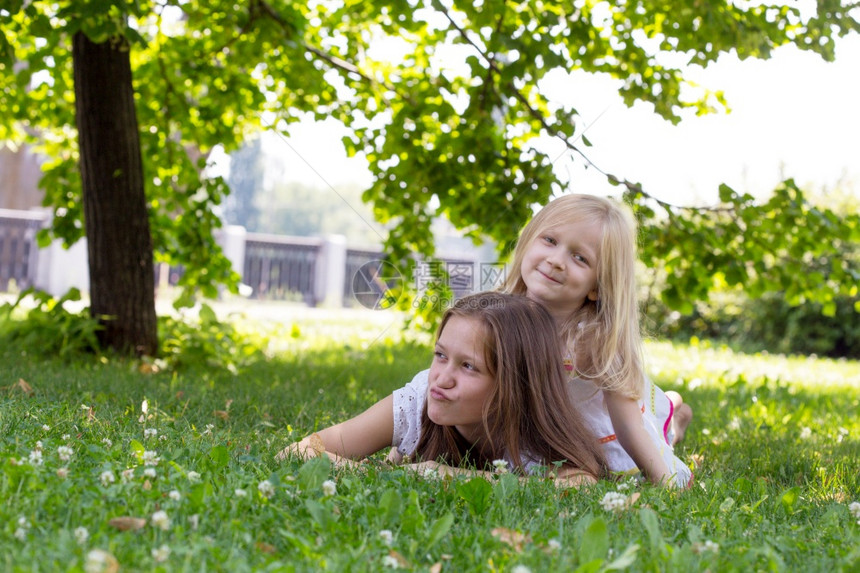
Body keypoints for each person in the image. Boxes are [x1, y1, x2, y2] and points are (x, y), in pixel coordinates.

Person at [278, 292, 607, 486]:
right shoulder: (419, 400)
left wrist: (444, 475)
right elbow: (301, 450)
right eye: (440, 355)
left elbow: (581, 488)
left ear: (515, 384)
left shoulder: (536, 437)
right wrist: (392, 476)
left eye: (468, 366)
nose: (442, 378)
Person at [501, 193, 693, 487]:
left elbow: (629, 425)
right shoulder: (496, 315)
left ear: (597, 287)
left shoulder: (592, 340)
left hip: (593, 431)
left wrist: (665, 483)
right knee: (657, 405)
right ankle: (670, 405)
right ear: (528, 241)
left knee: (657, 425)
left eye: (580, 258)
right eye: (550, 240)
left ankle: (675, 416)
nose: (556, 261)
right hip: (536, 428)